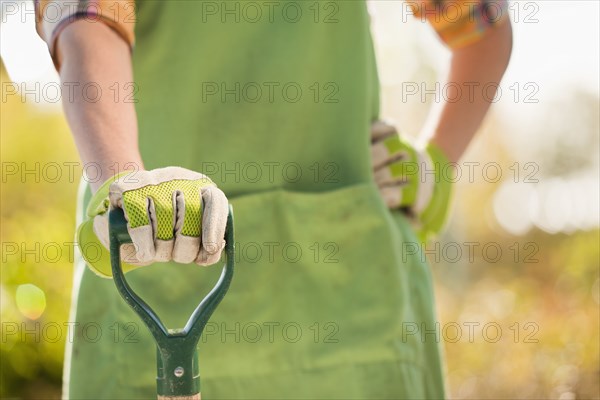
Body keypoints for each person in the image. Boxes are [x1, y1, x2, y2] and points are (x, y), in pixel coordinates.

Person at [35, 0, 512, 398]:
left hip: (358, 308)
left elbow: (482, 25)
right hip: (150, 277)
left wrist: (435, 166)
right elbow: (89, 23)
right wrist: (125, 181)